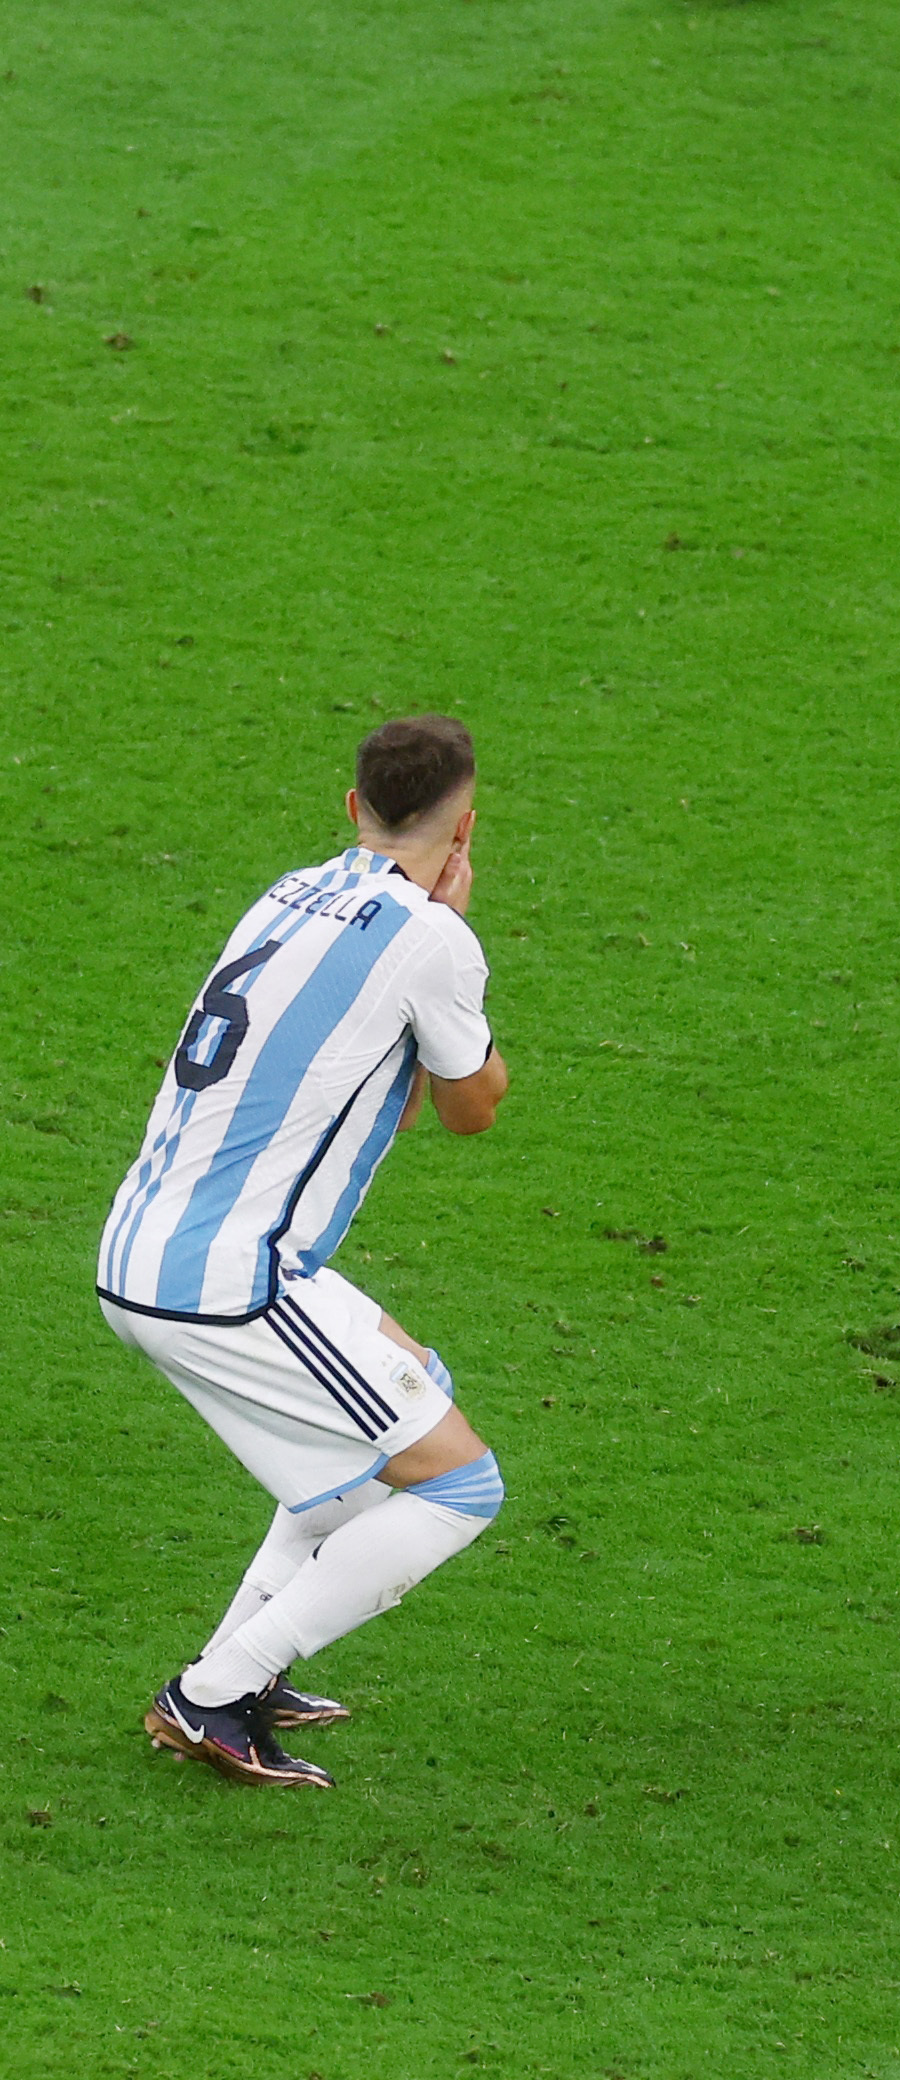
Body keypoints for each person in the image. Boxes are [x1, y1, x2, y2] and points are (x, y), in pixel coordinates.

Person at [102, 715, 513, 1790]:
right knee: (460, 1483)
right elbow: (472, 1108)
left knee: (407, 1404)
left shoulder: (285, 893)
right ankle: (212, 1691)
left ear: (352, 809)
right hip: (227, 1280)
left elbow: (383, 1096)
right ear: (466, 824)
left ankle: (243, 1667)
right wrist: (450, 937)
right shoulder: (432, 939)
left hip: (154, 1244)